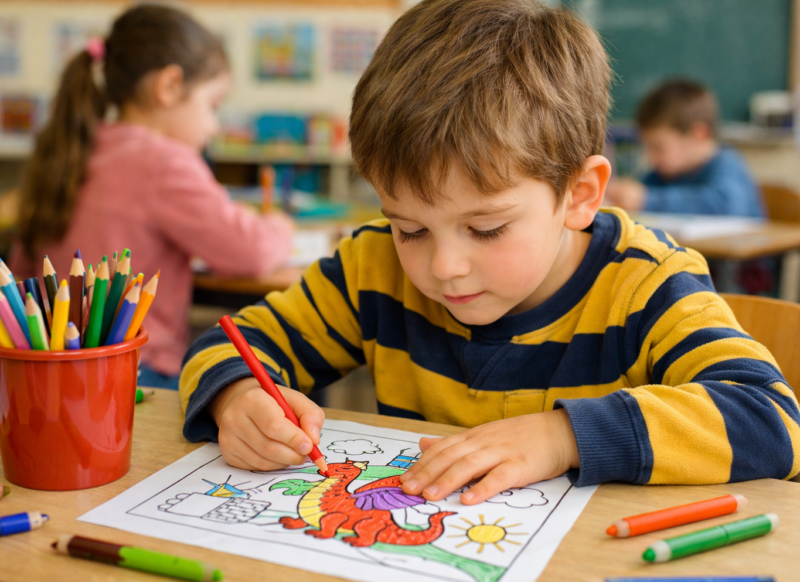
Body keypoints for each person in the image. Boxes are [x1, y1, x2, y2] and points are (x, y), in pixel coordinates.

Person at [181, 0, 800, 504]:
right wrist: (238, 399)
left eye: (486, 229)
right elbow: (227, 344)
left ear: (579, 195)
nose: (442, 266)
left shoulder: (645, 285)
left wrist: (564, 437)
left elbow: (770, 419)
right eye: (411, 229)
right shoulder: (372, 267)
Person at [9, 4, 293, 390]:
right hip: (137, 373)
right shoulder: (166, 161)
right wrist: (280, 224)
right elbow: (250, 251)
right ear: (170, 86)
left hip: (40, 373)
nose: (213, 126)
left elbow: (21, 270)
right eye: (213, 105)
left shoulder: (68, 147)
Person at [605, 80, 763, 216]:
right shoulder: (662, 174)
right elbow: (642, 194)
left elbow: (726, 206)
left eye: (658, 147)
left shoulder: (727, 165)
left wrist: (645, 200)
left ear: (698, 136)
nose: (650, 156)